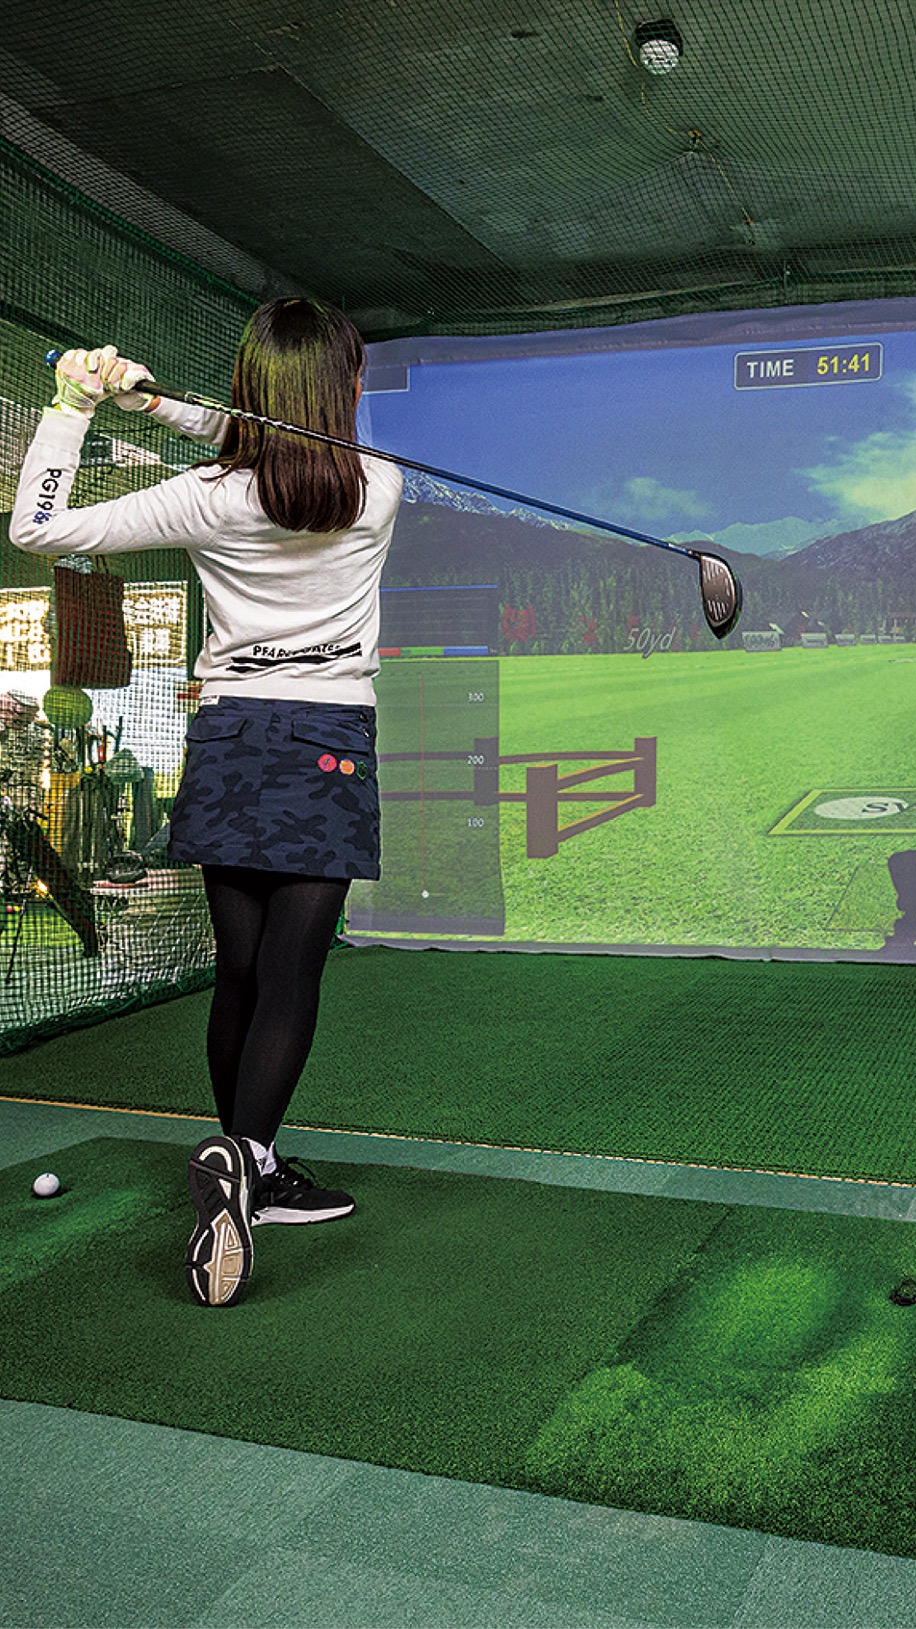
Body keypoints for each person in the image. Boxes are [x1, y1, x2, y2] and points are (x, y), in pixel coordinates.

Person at [11, 299, 405, 1307]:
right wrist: (152, 404)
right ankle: (249, 1158)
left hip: (230, 737)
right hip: (328, 741)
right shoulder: (379, 486)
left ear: (250, 387)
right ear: (343, 389)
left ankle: (247, 1162)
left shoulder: (206, 497)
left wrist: (75, 406)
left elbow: (37, 528)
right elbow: (272, 443)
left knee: (238, 971)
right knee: (289, 975)